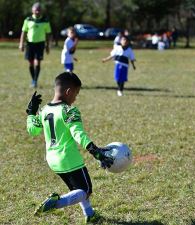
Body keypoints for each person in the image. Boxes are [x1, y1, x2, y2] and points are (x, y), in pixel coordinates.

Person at [26, 72, 114, 223]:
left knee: (77, 190)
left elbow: (33, 130)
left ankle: (90, 214)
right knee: (85, 191)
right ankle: (56, 203)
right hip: (69, 158)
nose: (75, 98)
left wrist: (30, 113)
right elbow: (78, 134)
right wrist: (96, 151)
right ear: (69, 91)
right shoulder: (69, 111)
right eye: (76, 93)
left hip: (52, 160)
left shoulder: (44, 110)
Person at [19, 2, 51, 88]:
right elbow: (24, 32)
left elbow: (48, 34)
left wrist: (48, 46)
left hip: (40, 44)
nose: (37, 12)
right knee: (30, 63)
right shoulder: (28, 20)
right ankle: (33, 79)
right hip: (29, 44)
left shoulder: (45, 20)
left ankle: (35, 81)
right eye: (36, 10)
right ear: (32, 10)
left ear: (41, 11)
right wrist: (21, 43)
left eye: (39, 10)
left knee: (37, 62)